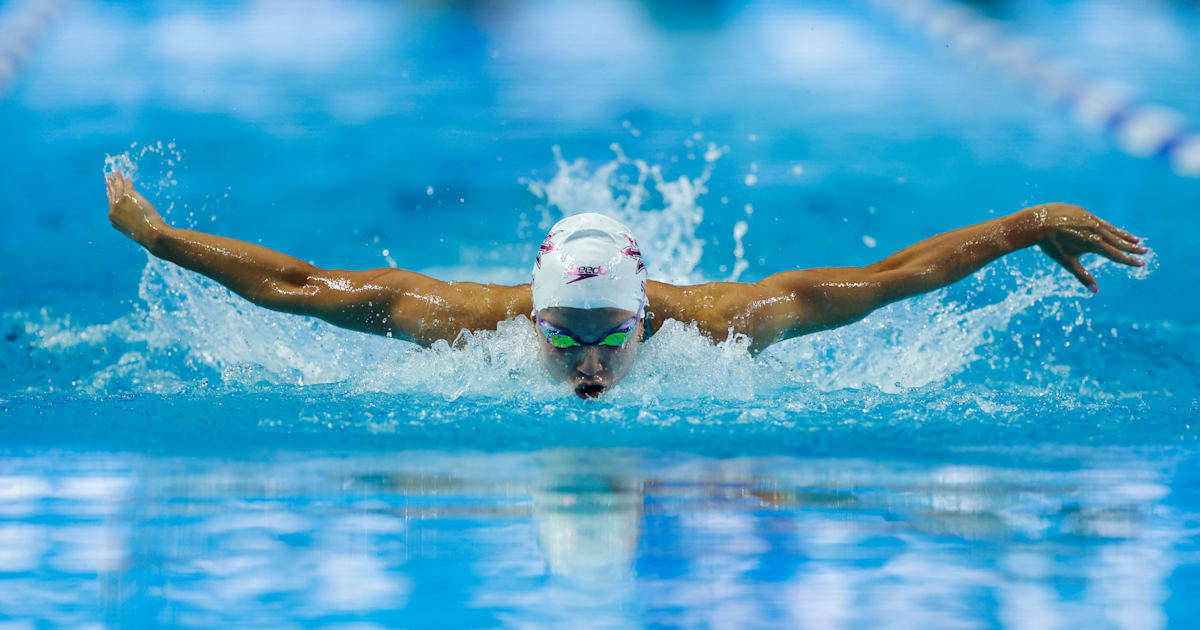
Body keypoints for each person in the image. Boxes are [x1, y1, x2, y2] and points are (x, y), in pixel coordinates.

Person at [105, 173, 1147, 399]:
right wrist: (159, 240)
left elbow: (890, 279)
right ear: (535, 310)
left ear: (649, 311)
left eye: (611, 337)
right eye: (566, 338)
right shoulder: (460, 326)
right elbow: (299, 285)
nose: (593, 365)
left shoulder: (726, 326)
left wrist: (1020, 227)